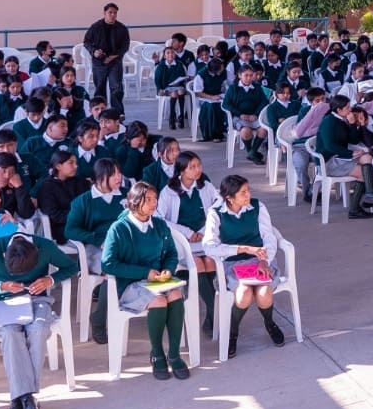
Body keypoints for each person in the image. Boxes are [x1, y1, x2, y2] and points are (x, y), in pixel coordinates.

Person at [0, 232, 79, 409]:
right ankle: (26, 398)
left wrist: (50, 280)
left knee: (38, 329)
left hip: (37, 299)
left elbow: (72, 266)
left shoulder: (45, 247)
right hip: (3, 302)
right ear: (5, 254)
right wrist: (1, 286)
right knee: (10, 332)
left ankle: (18, 398)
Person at [100, 181, 191, 380]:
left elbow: (172, 254)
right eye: (148, 199)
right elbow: (107, 264)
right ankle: (157, 354)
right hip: (130, 284)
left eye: (155, 199)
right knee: (158, 300)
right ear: (134, 201)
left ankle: (174, 353)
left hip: (158, 280)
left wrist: (168, 269)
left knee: (175, 294)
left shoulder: (158, 224)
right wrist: (144, 272)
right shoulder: (119, 229)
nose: (153, 203)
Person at [203, 174, 287, 355]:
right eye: (243, 193)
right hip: (232, 264)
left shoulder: (257, 207)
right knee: (243, 294)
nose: (248, 195)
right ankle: (233, 332)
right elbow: (209, 246)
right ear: (229, 198)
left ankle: (269, 323)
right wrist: (242, 249)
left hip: (259, 260)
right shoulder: (215, 213)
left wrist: (265, 259)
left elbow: (269, 237)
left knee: (264, 293)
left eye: (248, 190)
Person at [156, 151, 220, 337]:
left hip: (203, 238)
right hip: (181, 241)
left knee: (210, 261)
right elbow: (160, 219)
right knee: (198, 263)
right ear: (181, 171)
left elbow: (217, 208)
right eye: (192, 167)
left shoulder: (206, 186)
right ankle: (216, 311)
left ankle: (210, 318)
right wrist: (187, 232)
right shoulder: (168, 191)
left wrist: (204, 230)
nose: (198, 170)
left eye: (199, 165)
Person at [67, 159, 126, 343]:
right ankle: (99, 319)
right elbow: (70, 230)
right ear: (100, 178)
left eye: (119, 173)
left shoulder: (125, 196)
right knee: (114, 269)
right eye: (114, 174)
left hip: (124, 246)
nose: (119, 177)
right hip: (96, 249)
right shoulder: (84, 201)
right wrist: (97, 239)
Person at [83, 2, 131, 108]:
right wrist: (94, 51)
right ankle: (101, 113)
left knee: (116, 88)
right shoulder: (95, 27)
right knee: (100, 88)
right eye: (110, 12)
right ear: (104, 13)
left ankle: (118, 113)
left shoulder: (121, 28)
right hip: (99, 62)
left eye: (115, 13)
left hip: (115, 61)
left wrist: (112, 57)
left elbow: (125, 46)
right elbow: (86, 42)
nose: (113, 15)